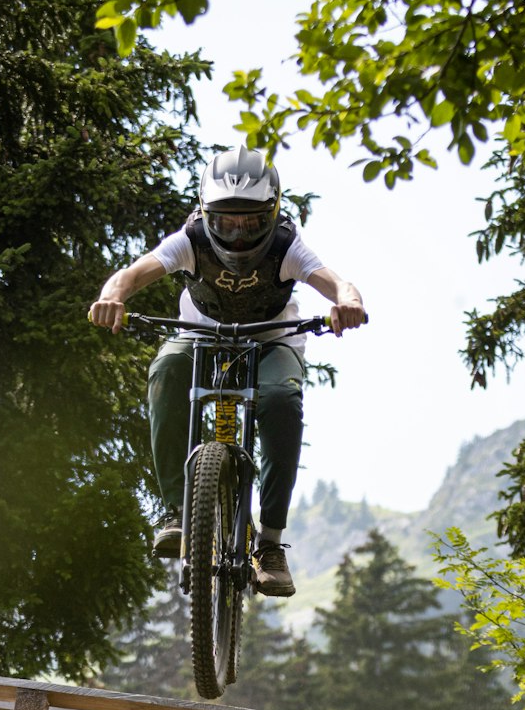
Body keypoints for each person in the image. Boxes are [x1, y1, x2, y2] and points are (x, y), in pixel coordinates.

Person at [89, 145, 366, 598]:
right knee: (165, 372)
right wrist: (112, 296)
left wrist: (347, 302)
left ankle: (271, 546)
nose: (238, 237)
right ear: (205, 214)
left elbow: (335, 282)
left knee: (281, 401)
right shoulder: (190, 239)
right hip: (201, 333)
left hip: (271, 337)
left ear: (272, 215)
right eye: (225, 222)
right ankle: (178, 512)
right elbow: (133, 274)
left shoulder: (286, 245)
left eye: (251, 222)